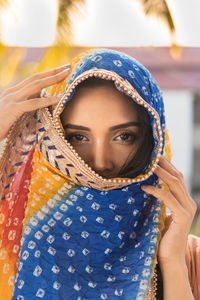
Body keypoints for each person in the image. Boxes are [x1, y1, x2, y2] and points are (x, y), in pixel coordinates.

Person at [0, 48, 199, 300]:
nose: (101, 162)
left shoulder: (188, 257)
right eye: (78, 137)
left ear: (151, 141)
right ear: (52, 138)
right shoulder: (10, 249)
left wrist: (173, 265)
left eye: (123, 137)